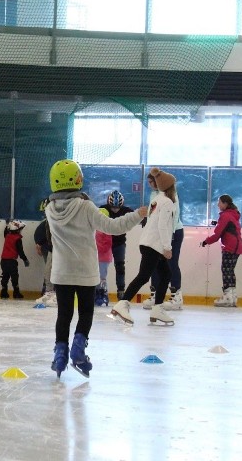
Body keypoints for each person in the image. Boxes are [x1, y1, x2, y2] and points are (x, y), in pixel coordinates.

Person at [45, 160, 146, 378]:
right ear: (78, 179)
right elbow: (113, 226)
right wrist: (138, 214)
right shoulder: (85, 206)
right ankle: (78, 349)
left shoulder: (49, 209)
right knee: (85, 312)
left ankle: (60, 353)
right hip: (85, 272)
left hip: (61, 272)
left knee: (64, 314)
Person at [111, 168, 178, 327]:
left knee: (166, 274)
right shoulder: (167, 202)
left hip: (149, 243)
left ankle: (157, 309)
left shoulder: (157, 200)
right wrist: (167, 247)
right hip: (154, 245)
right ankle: (123, 303)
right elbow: (162, 226)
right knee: (144, 276)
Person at [142, 174, 185, 310]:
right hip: (159, 233)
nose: (150, 185)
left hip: (173, 232)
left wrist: (169, 235)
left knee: (171, 263)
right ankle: (155, 294)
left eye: (152, 182)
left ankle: (176, 295)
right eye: (148, 182)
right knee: (155, 263)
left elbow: (174, 215)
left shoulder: (171, 195)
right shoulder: (153, 195)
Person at [202, 194, 242, 307]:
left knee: (226, 270)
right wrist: (217, 223)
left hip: (230, 247)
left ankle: (227, 297)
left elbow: (217, 235)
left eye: (219, 202)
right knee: (229, 271)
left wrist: (205, 242)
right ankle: (232, 296)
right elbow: (227, 227)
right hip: (237, 246)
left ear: (225, 204)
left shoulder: (225, 215)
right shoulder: (232, 214)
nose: (217, 204)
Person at [99, 190, 134, 300]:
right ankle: (99, 290)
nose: (115, 210)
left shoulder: (126, 210)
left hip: (119, 243)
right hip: (105, 243)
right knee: (100, 267)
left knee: (120, 266)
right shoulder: (103, 209)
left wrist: (144, 219)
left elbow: (135, 216)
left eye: (117, 208)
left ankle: (121, 290)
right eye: (113, 208)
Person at [34, 198, 57, 308]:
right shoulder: (47, 223)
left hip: (61, 250)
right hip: (52, 249)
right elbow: (43, 234)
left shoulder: (58, 221)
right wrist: (39, 243)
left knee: (57, 271)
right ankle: (49, 292)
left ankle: (57, 294)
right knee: (48, 270)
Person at [0, 220, 29, 299]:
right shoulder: (17, 239)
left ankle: (4, 292)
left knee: (5, 276)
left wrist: (7, 225)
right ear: (18, 230)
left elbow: (5, 231)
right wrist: (25, 259)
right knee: (14, 277)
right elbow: (20, 251)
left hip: (3, 260)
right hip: (12, 261)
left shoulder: (7, 236)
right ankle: (16, 292)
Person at [94, 209, 113, 307]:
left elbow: (107, 244)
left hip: (103, 258)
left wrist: (96, 248)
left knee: (102, 277)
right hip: (96, 258)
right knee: (96, 277)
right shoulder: (95, 228)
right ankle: (97, 293)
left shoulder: (106, 229)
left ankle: (103, 293)